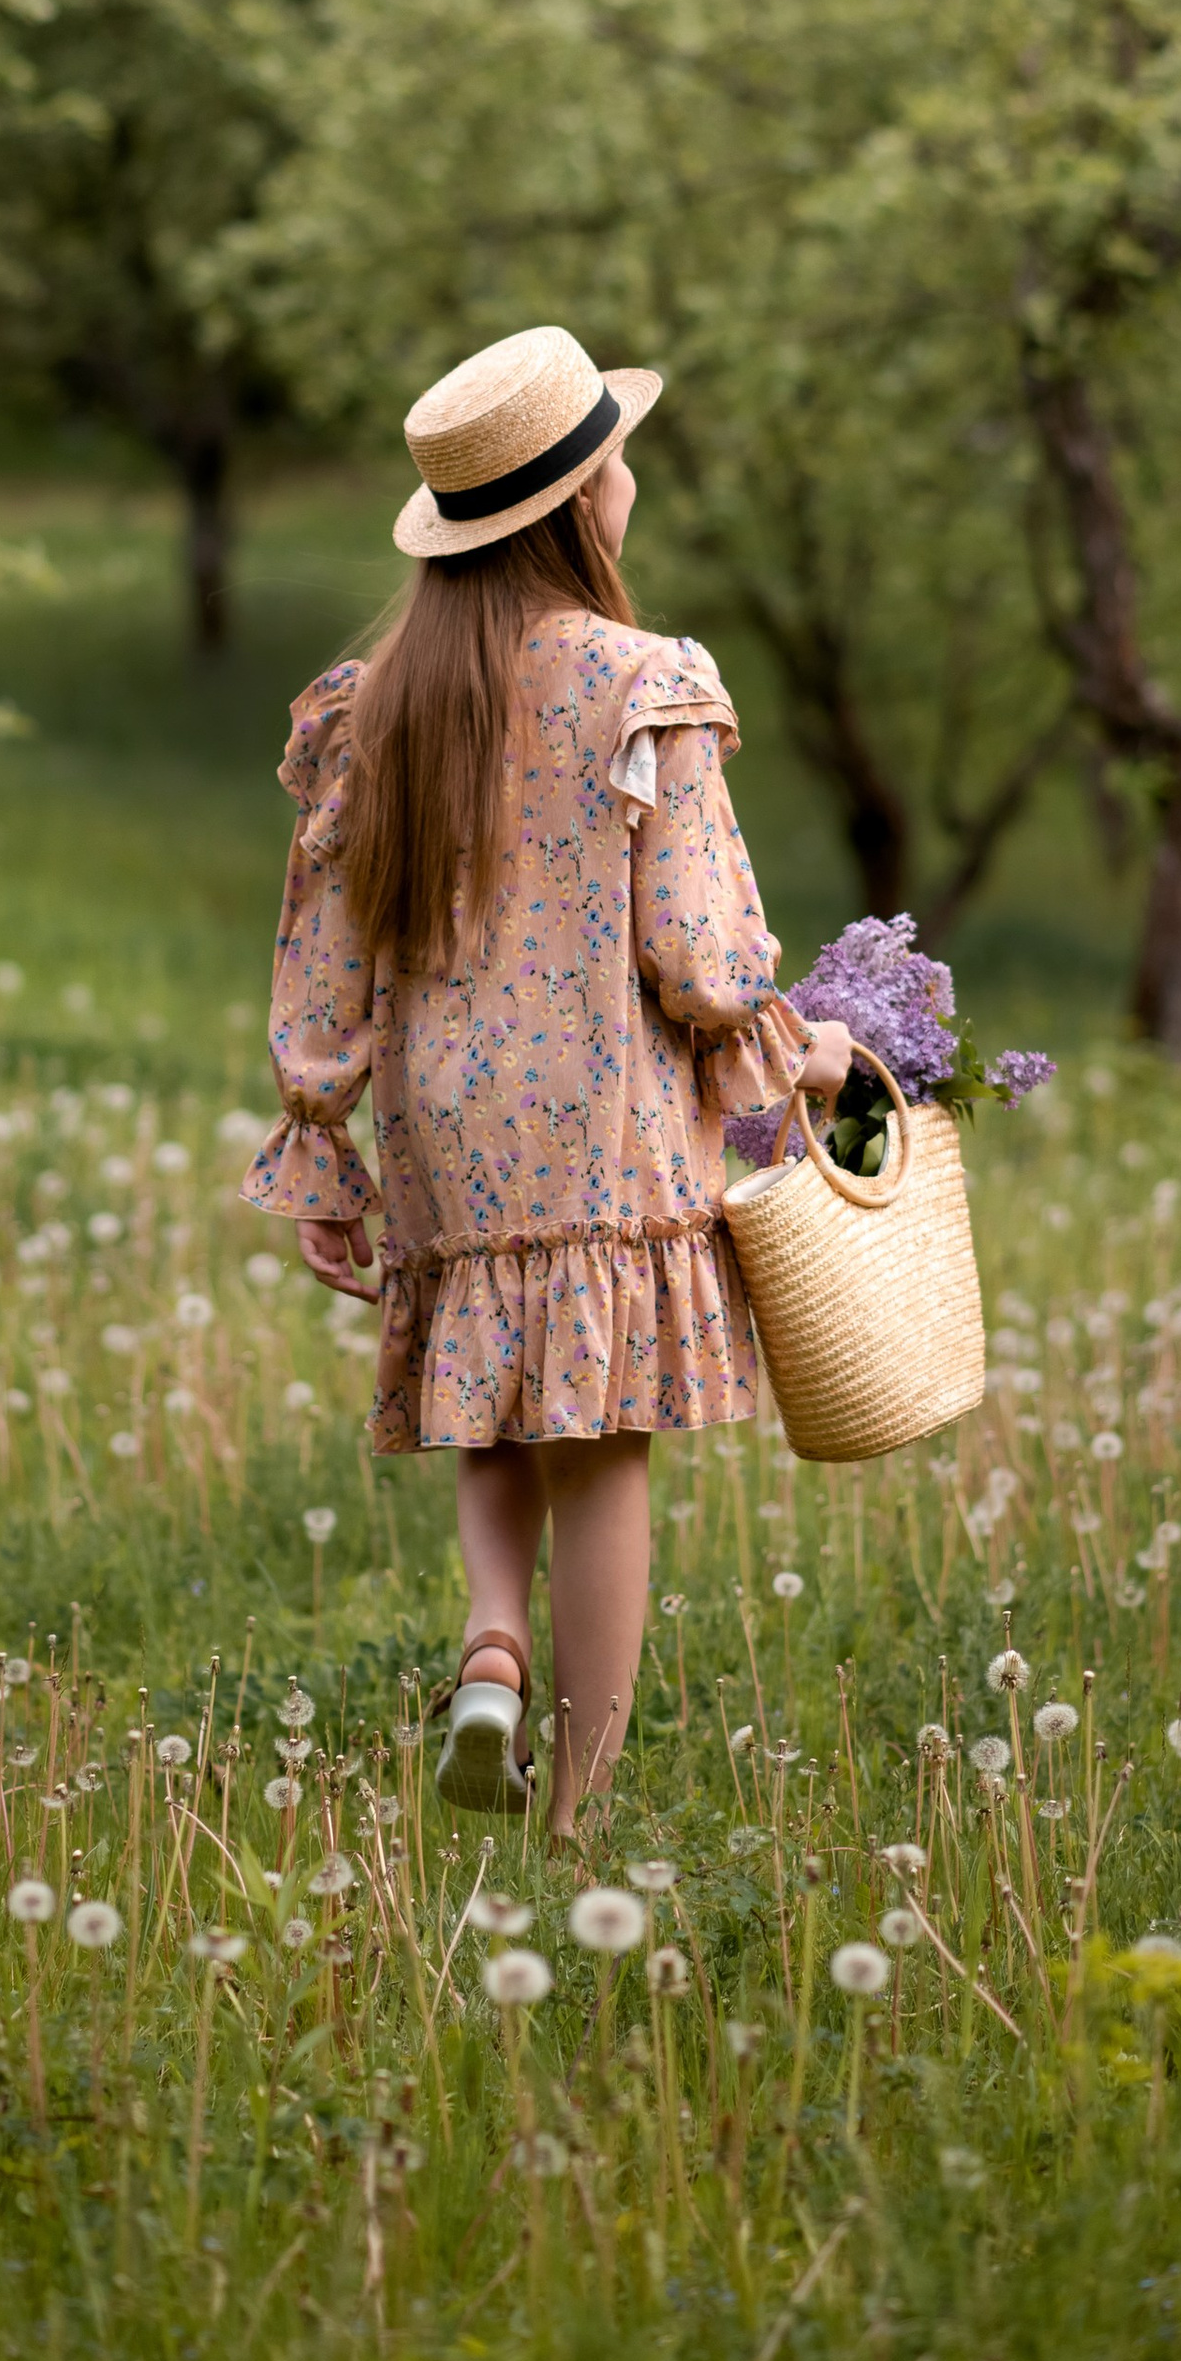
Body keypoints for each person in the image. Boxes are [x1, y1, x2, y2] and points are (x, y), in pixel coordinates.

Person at [239, 324, 851, 1843]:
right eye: (617, 455)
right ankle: (574, 1819)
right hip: (606, 1127)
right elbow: (704, 961)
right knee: (602, 1452)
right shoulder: (645, 685)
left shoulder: (366, 705)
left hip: (447, 1133)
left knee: (499, 1408)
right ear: (583, 499)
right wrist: (809, 1048)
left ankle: (492, 1641)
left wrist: (322, 1149)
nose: (628, 476)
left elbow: (323, 972)